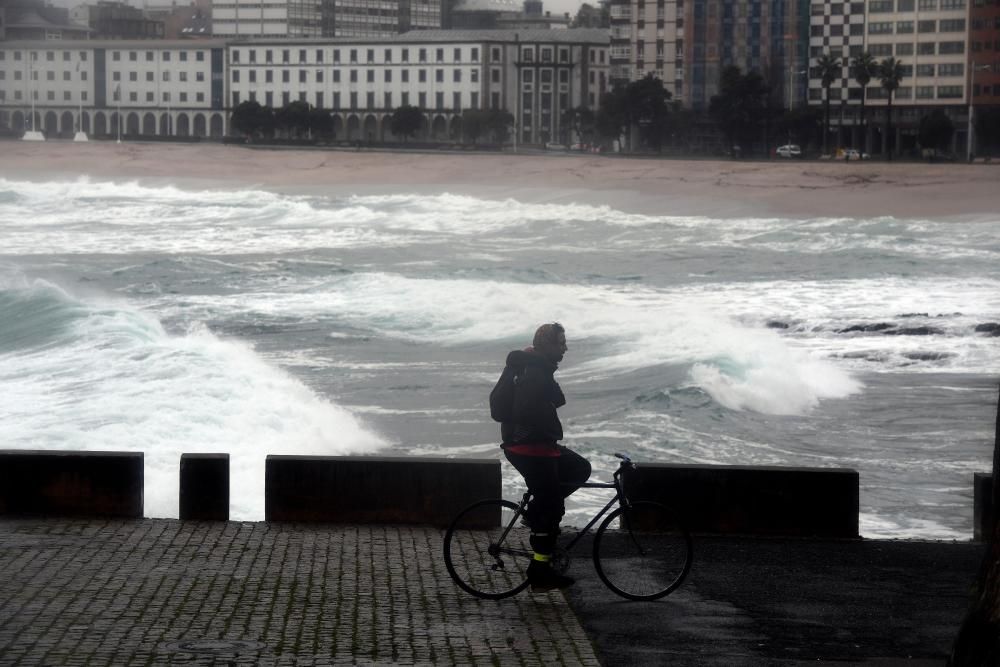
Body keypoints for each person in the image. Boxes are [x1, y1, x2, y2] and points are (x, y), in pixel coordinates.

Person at [497, 322, 591, 592]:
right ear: (547, 345)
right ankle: (540, 571)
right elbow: (527, 408)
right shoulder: (536, 371)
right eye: (561, 343)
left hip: (536, 444)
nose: (565, 347)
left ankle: (536, 511)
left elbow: (555, 399)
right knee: (551, 508)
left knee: (580, 468)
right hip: (531, 447)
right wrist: (541, 420)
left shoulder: (535, 366)